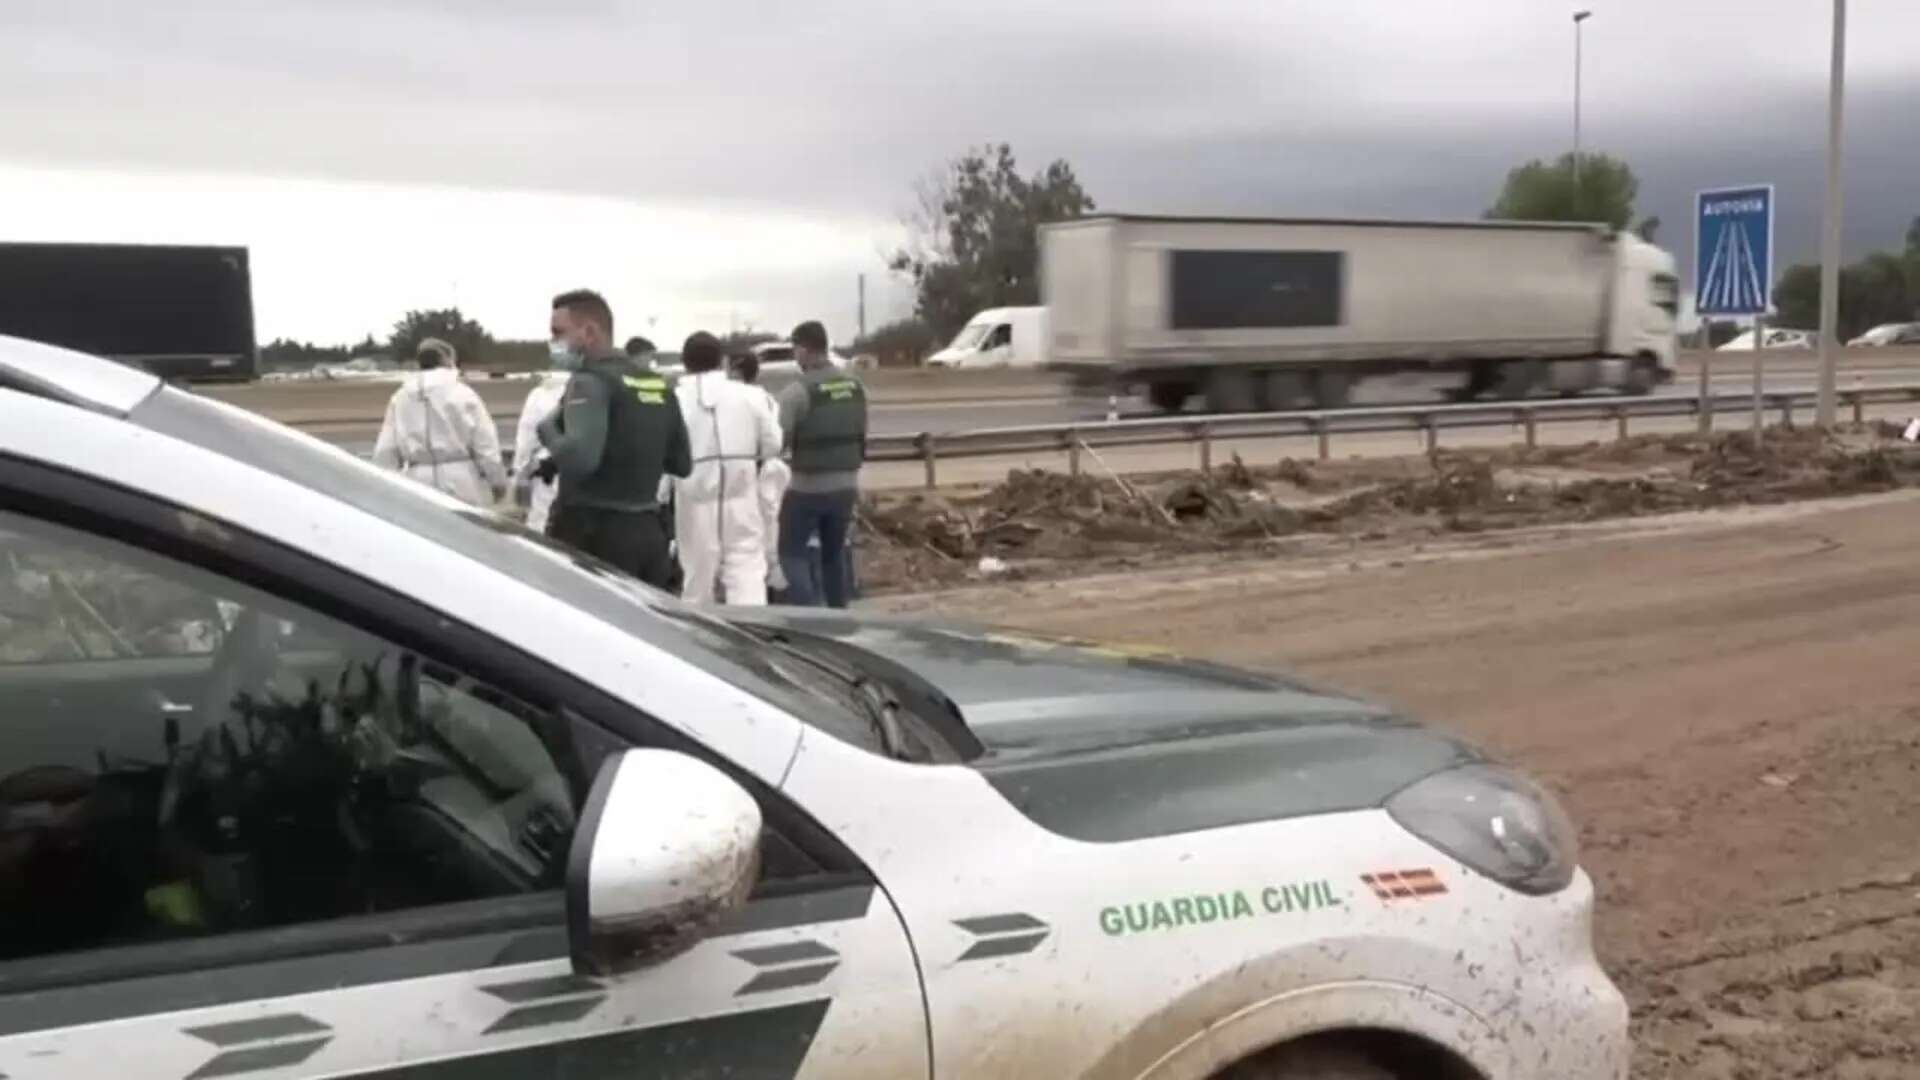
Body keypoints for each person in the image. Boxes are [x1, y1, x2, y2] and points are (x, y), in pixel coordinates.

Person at [537, 289, 690, 588]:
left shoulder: (589, 382)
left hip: (595, 537)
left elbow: (579, 460)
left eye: (558, 333)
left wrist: (548, 432)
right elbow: (682, 463)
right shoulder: (656, 384)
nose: (553, 343)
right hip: (648, 532)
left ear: (589, 332)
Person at [672, 332, 781, 605]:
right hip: (742, 499)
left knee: (697, 582)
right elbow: (773, 445)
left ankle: (697, 642)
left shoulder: (674, 399)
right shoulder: (753, 396)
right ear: (722, 361)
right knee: (747, 576)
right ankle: (752, 639)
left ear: (684, 363)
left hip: (694, 501)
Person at [776, 320, 865, 608]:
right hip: (847, 486)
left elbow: (778, 440)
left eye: (795, 349)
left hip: (807, 488)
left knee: (790, 553)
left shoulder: (796, 392)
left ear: (804, 349)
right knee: (834, 553)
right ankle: (839, 617)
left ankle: (809, 615)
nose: (795, 356)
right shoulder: (855, 386)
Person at [371, 337, 506, 506]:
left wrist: (384, 485)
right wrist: (497, 480)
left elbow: (385, 450)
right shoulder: (464, 394)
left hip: (417, 480)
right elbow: (485, 443)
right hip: (461, 479)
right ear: (447, 360)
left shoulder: (400, 397)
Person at [729, 351, 792, 597]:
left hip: (745, 473)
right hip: (766, 470)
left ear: (734, 371)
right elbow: (776, 439)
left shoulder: (731, 400)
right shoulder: (767, 399)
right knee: (767, 530)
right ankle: (770, 585)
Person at [510, 361, 570, 533]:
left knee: (541, 524)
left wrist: (518, 474)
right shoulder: (596, 389)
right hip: (582, 473)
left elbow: (526, 439)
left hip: (547, 473)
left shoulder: (540, 394)